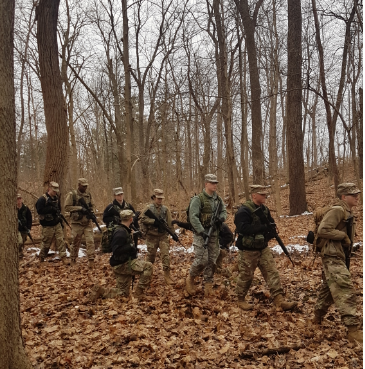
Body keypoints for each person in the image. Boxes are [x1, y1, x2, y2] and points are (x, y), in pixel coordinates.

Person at [312, 183, 362, 343]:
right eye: (352, 194)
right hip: (332, 254)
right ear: (343, 197)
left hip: (337, 254)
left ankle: (316, 317)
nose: (356, 197)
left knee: (328, 287)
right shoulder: (338, 210)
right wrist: (343, 236)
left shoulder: (346, 211)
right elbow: (323, 230)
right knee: (344, 288)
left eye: (357, 194)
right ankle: (352, 330)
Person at [234, 185, 296, 311]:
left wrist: (269, 232)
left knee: (272, 272)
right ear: (254, 195)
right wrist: (261, 228)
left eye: (265, 194)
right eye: (262, 194)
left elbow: (271, 223)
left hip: (263, 248)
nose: (265, 196)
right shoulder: (244, 211)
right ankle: (240, 299)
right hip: (248, 250)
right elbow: (242, 228)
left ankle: (279, 300)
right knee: (246, 275)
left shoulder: (265, 210)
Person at [89, 210, 153, 301]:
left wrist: (132, 249)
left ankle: (101, 290)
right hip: (123, 264)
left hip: (119, 263)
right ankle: (139, 294)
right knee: (148, 267)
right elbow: (117, 250)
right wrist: (130, 247)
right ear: (131, 219)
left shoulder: (122, 229)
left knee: (122, 293)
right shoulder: (121, 233)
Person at [185, 174, 227, 297]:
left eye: (216, 183)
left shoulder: (218, 200)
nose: (215, 185)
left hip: (214, 233)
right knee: (202, 260)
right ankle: (190, 278)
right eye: (212, 183)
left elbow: (224, 211)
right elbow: (193, 217)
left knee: (212, 260)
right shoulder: (198, 199)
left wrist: (221, 218)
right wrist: (201, 231)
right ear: (206, 184)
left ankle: (208, 285)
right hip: (201, 234)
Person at [140, 189, 175, 285]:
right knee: (150, 257)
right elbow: (142, 219)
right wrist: (153, 222)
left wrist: (173, 234)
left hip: (163, 236)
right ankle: (147, 277)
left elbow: (169, 223)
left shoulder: (165, 209)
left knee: (166, 256)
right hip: (152, 236)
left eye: (161, 198)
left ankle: (167, 276)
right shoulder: (148, 208)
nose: (160, 200)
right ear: (154, 197)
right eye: (158, 198)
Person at [64, 178, 96, 269]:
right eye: (83, 186)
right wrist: (80, 208)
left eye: (86, 186)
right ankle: (73, 259)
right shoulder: (72, 195)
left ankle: (91, 260)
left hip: (87, 222)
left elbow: (92, 205)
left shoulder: (88, 194)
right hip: (77, 223)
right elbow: (67, 207)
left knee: (90, 241)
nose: (85, 187)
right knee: (75, 242)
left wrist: (91, 212)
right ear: (79, 185)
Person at [35, 182, 69, 265]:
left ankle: (64, 258)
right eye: (54, 191)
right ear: (49, 189)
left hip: (56, 223)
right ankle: (41, 259)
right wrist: (50, 209)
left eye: (56, 191)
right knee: (46, 243)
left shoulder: (56, 198)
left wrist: (59, 220)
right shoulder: (42, 199)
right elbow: (39, 210)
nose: (55, 192)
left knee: (60, 240)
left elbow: (59, 210)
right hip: (47, 225)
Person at [17, 193, 32, 259]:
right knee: (19, 242)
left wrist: (28, 228)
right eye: (17, 199)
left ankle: (20, 254)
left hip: (24, 228)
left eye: (20, 198)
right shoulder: (13, 208)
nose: (19, 200)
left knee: (23, 242)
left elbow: (29, 218)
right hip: (17, 229)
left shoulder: (25, 208)